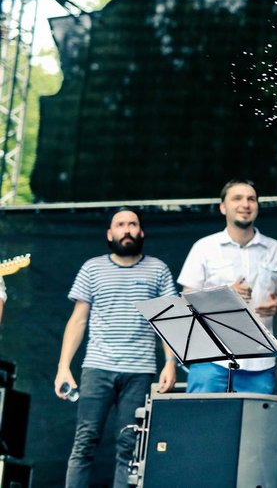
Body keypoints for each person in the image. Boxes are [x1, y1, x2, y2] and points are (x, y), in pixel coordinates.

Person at [55, 208, 178, 488]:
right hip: (97, 368)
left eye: (132, 224)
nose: (127, 230)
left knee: (130, 447)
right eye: (120, 225)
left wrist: (170, 362)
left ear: (141, 232)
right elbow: (78, 319)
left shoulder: (158, 269)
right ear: (110, 234)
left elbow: (168, 321)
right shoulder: (92, 267)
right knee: (84, 443)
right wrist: (63, 368)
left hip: (140, 371)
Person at [178, 178, 277, 393]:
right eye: (237, 198)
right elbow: (186, 300)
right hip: (211, 359)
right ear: (223, 207)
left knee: (255, 427)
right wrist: (225, 294)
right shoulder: (204, 247)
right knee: (202, 423)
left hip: (259, 363)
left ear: (257, 207)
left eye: (251, 199)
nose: (245, 204)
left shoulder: (274, 249)